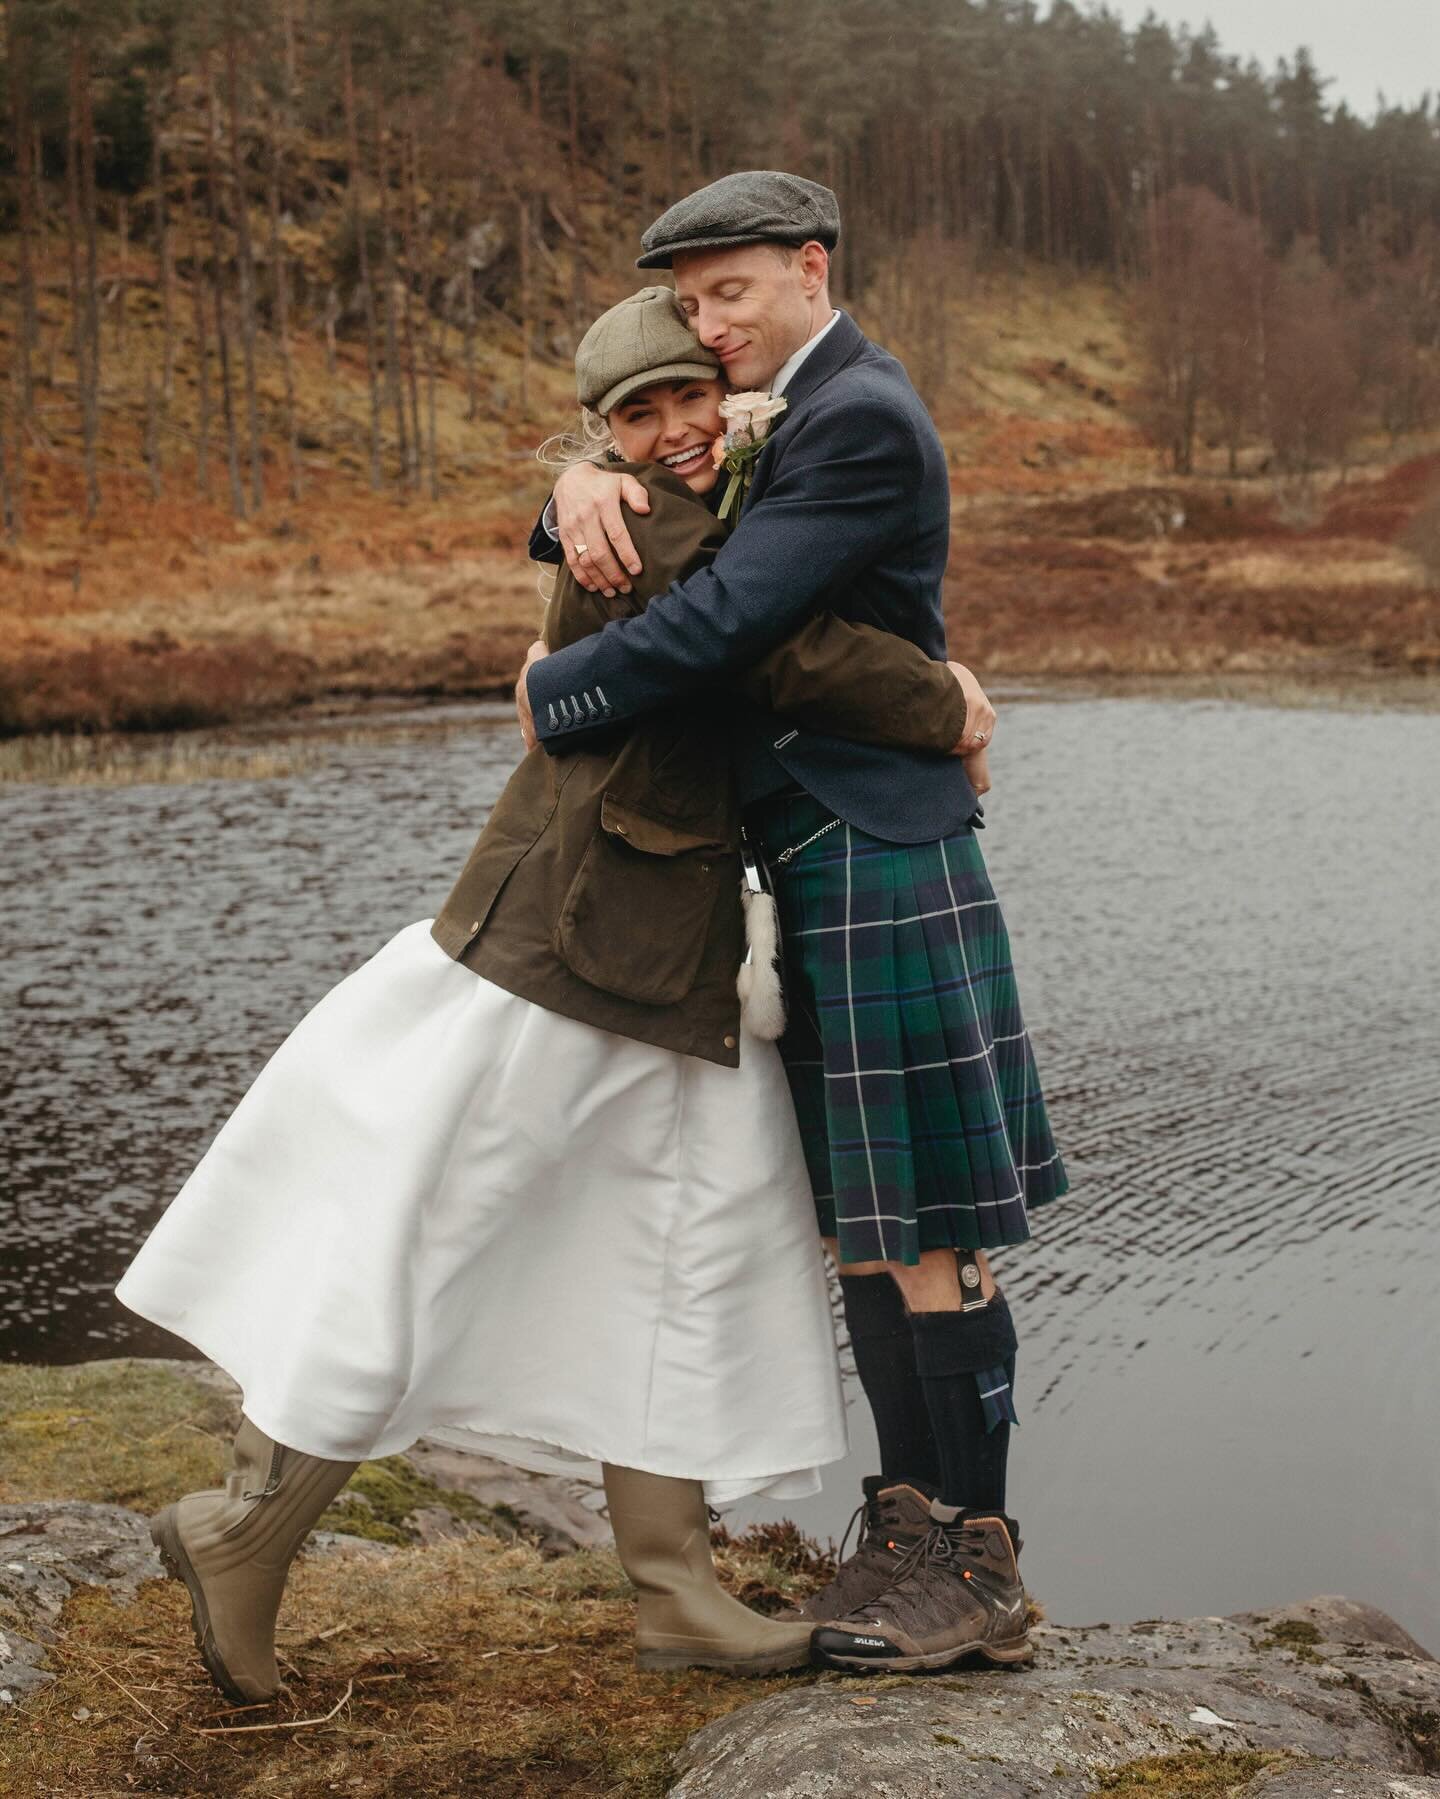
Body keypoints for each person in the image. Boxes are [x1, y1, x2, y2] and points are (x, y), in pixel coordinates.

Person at [115, 285, 984, 1699]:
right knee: (444, 1230)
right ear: (602, 435)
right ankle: (247, 1529)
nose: (677, 429)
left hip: (663, 955)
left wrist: (638, 465)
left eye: (691, 397)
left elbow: (755, 550)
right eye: (636, 417)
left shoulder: (668, 489)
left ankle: (673, 1586)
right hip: (577, 947)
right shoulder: (636, 518)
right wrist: (948, 702)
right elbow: (784, 650)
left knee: (685, 1243)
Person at [519, 170, 1069, 1674]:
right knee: (863, 1224)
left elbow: (721, 626)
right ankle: (906, 1523)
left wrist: (551, 698)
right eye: (692, 304)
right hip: (812, 852)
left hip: (881, 842)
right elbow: (679, 508)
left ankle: (982, 1565)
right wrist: (569, 493)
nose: (712, 323)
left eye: (734, 292)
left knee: (933, 1231)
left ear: (811, 268)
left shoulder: (860, 416)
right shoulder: (785, 412)